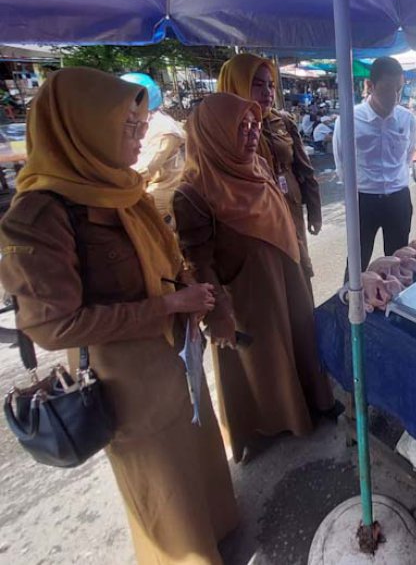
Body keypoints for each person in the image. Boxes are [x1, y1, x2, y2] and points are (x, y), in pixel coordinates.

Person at [0, 67, 238, 564]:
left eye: (140, 124)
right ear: (81, 130)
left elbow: (166, 256)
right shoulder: (41, 213)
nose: (140, 138)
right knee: (160, 474)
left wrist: (190, 290)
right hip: (125, 374)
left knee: (194, 445)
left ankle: (215, 531)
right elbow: (51, 325)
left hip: (173, 349)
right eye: (127, 128)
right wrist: (168, 306)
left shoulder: (121, 187)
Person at [173, 93, 337, 465]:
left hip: (285, 274)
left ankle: (311, 404)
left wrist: (299, 252)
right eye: (239, 128)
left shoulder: (258, 164)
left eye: (253, 126)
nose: (250, 135)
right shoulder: (192, 192)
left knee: (298, 340)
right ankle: (269, 427)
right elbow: (198, 261)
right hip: (245, 289)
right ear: (213, 134)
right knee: (262, 359)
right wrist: (218, 313)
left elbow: (280, 209)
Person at [218, 54, 322, 296]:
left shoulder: (282, 121)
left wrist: (314, 211)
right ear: (236, 84)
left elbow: (304, 168)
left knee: (298, 274)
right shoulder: (219, 130)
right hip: (253, 219)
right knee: (268, 288)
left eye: (271, 85)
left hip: (289, 209)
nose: (267, 92)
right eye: (257, 84)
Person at [333, 57, 416, 271]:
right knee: (357, 263)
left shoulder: (407, 119)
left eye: (400, 89)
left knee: (399, 263)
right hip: (363, 200)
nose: (395, 97)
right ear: (370, 86)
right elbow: (341, 163)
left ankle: (393, 302)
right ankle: (351, 304)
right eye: (388, 89)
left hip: (398, 199)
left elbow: (408, 156)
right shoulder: (349, 119)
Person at [121, 73, 186, 229]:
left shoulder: (164, 130)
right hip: (142, 191)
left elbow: (146, 168)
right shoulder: (142, 123)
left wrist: (112, 177)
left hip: (161, 197)